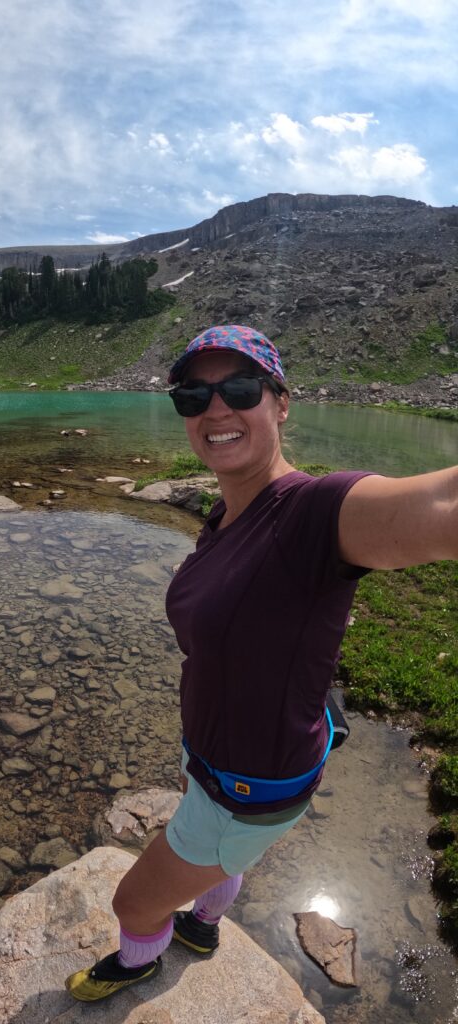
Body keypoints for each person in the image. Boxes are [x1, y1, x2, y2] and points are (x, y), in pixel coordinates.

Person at [65, 323, 458, 1002]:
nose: (215, 408)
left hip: (246, 793)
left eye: (240, 388)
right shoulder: (226, 514)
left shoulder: (313, 512)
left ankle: (138, 962)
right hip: (216, 763)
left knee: (134, 903)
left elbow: (442, 507)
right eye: (193, 395)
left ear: (280, 403)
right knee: (212, 860)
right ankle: (204, 925)